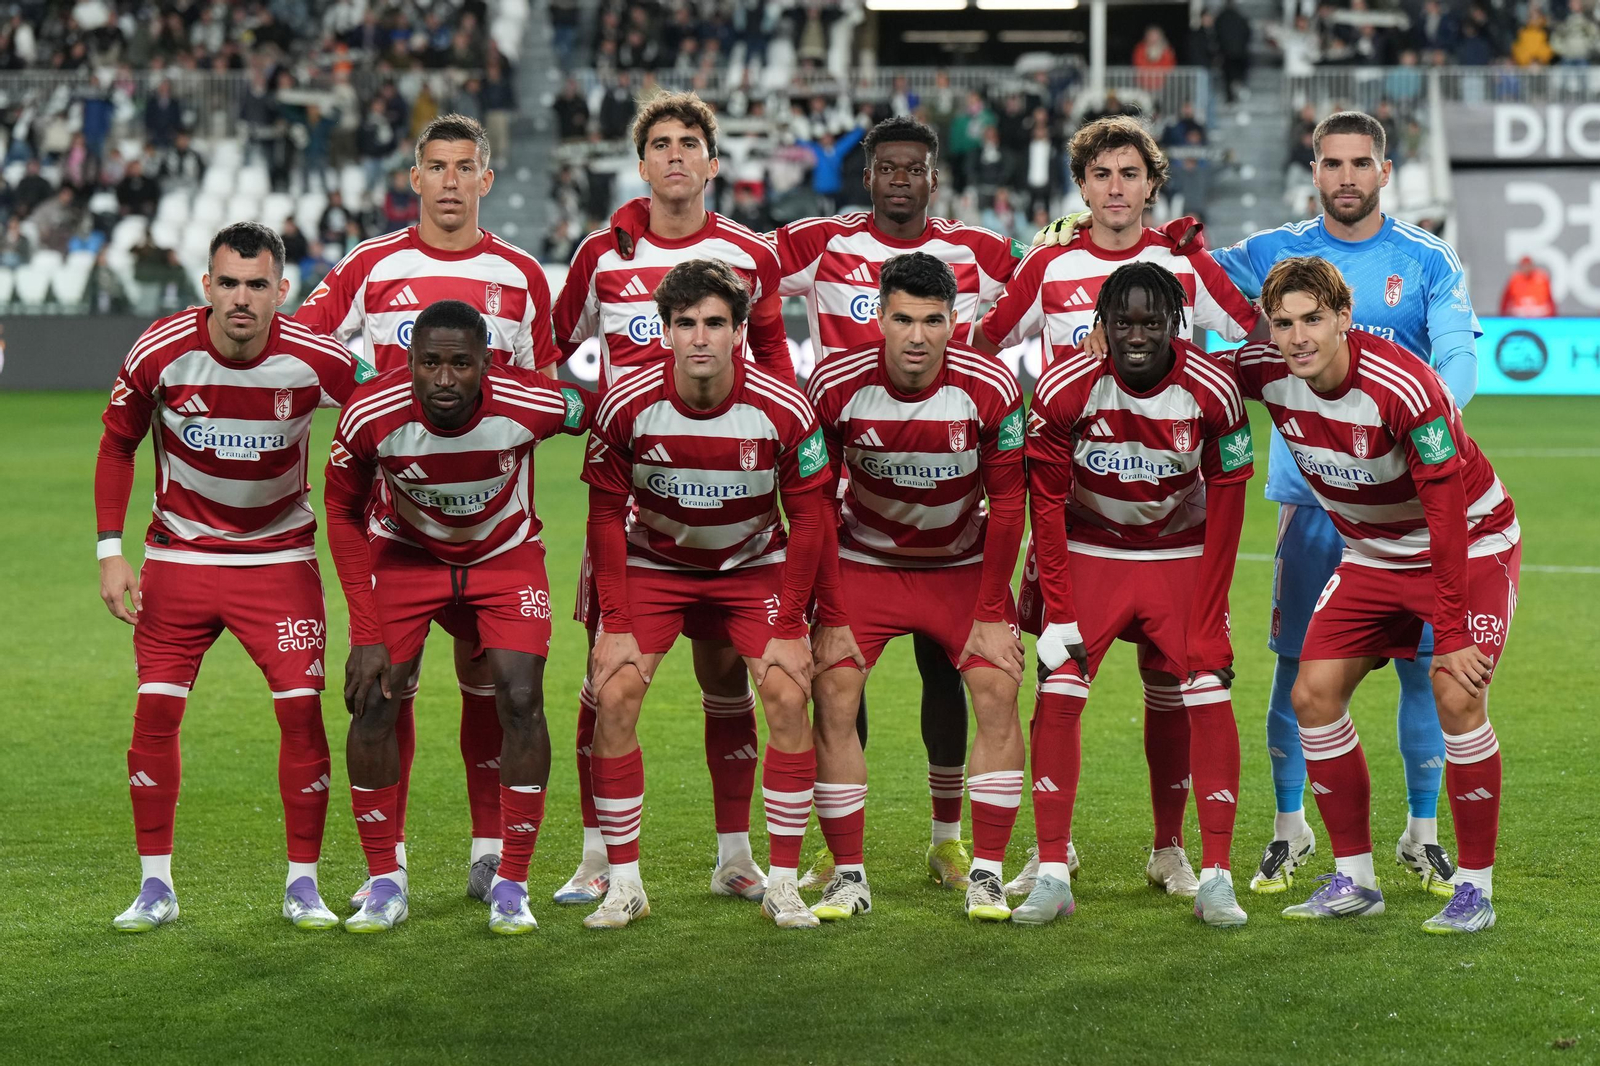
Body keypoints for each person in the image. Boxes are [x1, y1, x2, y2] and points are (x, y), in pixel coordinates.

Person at [1202, 111, 1481, 899]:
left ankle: (1421, 836)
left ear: (1384, 171)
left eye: (1362, 162)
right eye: (1333, 163)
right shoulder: (1270, 252)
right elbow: (1182, 283)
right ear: (1313, 169)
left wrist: (1437, 427)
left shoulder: (1428, 259)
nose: (1347, 177)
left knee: (1425, 670)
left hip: (1407, 506)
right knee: (1300, 667)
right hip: (1312, 500)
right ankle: (1291, 829)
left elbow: (1456, 351)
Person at [980, 114, 1258, 898]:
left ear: (1151, 183)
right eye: (1101, 174)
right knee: (1058, 681)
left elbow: (1248, 338)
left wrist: (1201, 267)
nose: (1115, 187)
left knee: (1171, 689)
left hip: (1174, 517)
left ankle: (1171, 849)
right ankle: (1051, 851)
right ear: (1082, 186)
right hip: (1082, 518)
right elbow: (987, 346)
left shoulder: (1182, 265)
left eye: (1129, 173)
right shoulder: (1050, 267)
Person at [295, 113, 560, 908]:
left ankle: (492, 858)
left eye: (465, 167)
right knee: (387, 693)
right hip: (397, 524)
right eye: (435, 167)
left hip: (496, 526)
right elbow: (306, 341)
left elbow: (544, 389)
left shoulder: (521, 274)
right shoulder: (369, 265)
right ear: (414, 179)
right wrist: (369, 406)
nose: (449, 181)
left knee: (498, 692)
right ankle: (390, 869)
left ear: (486, 178)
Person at [770, 115, 1030, 890]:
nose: (900, 180)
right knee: (841, 677)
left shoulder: (978, 251)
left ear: (933, 178)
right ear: (868, 174)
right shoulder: (819, 242)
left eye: (914, 168)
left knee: (948, 677)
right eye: (887, 167)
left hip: (951, 494)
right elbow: (739, 273)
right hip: (857, 499)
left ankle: (949, 841)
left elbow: (1048, 273)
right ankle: (836, 847)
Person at [94, 222, 369, 933]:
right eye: (227, 283)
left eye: (256, 285)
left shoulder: (316, 358)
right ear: (206, 286)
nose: (240, 299)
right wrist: (108, 551)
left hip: (279, 562)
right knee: (155, 714)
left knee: (301, 715)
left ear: (283, 290)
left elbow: (384, 412)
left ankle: (302, 886)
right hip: (178, 562)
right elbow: (117, 445)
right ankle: (155, 887)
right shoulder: (160, 351)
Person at [553, 92, 791, 909]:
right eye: (661, 144)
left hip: (734, 506)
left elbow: (774, 362)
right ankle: (596, 857)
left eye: (692, 143)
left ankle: (735, 855)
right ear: (642, 162)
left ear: (713, 162)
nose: (677, 156)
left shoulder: (749, 254)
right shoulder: (602, 253)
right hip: (632, 512)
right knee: (605, 678)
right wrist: (592, 418)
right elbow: (553, 349)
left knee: (728, 681)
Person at [1232, 257, 1517, 934]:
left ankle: (1475, 889)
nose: (1298, 337)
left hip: (1469, 542)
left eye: (1313, 320)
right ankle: (1355, 878)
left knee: (1455, 691)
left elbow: (1446, 516)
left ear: (1343, 319)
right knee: (1312, 694)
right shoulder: (1267, 370)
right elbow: (1184, 359)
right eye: (1284, 323)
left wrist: (1450, 634)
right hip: (1373, 553)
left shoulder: (1405, 387)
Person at [323, 300, 590, 934]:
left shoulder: (532, 403)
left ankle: (512, 883)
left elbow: (597, 410)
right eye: (430, 363)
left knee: (521, 699)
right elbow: (339, 512)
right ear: (409, 362)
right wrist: (364, 633)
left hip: (503, 557)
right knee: (374, 700)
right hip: (408, 554)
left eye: (461, 364)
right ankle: (385, 879)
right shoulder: (371, 414)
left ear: (487, 365)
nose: (444, 379)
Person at [580, 259, 831, 930]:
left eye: (715, 323)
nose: (699, 338)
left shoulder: (782, 405)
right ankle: (625, 883)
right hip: (655, 563)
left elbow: (809, 519)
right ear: (663, 332)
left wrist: (785, 621)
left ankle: (778, 880)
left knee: (783, 692)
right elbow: (605, 517)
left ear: (740, 332)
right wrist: (617, 620)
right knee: (615, 693)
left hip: (751, 564)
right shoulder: (626, 402)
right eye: (685, 324)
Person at [1020, 261, 1253, 927]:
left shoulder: (1213, 390)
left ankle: (1210, 874)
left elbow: (1230, 508)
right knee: (1058, 689)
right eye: (1125, 322)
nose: (1139, 334)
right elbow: (1047, 504)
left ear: (1176, 324)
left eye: (1153, 322)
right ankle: (1054, 870)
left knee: (1205, 690)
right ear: (1104, 325)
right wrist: (1058, 611)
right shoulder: (1067, 387)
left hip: (1179, 555)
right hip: (1092, 553)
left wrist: (1208, 618)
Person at [805, 252, 1028, 923]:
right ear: (879, 317)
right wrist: (833, 610)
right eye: (903, 318)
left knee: (997, 686)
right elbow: (813, 503)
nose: (917, 336)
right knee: (835, 687)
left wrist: (993, 611)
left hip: (959, 569)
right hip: (864, 563)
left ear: (953, 321)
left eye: (933, 320)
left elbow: (1010, 503)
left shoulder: (991, 387)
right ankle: (848, 874)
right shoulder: (835, 383)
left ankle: (984, 871)